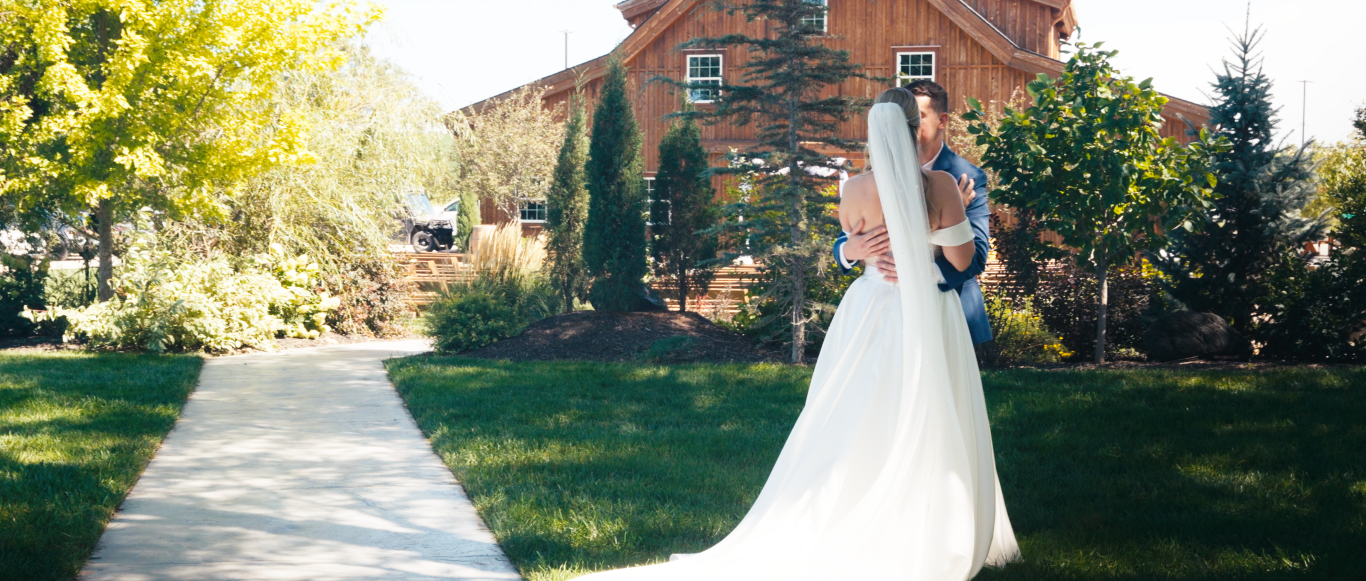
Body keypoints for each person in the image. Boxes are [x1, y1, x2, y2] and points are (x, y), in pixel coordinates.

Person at [575, 88, 1020, 581]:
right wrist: (925, 226)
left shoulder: (853, 188)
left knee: (861, 411)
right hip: (925, 312)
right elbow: (957, 255)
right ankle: (924, 523)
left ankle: (862, 507)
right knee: (927, 410)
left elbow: (896, 245)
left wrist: (870, 245)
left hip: (870, 309)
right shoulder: (940, 186)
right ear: (917, 124)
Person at [834, 79, 993, 346]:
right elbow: (848, 236)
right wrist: (848, 251)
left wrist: (922, 271)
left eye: (917, 115)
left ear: (941, 120)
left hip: (942, 307)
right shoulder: (865, 181)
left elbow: (976, 256)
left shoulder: (965, 177)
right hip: (878, 309)